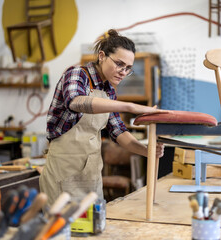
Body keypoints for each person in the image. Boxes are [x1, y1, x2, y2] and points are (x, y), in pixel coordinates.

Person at [40, 29, 166, 206]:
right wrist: (129, 106)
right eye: (119, 64)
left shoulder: (108, 91)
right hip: (63, 174)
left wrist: (147, 151)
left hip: (91, 176)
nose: (123, 72)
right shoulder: (77, 74)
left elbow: (118, 131)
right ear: (102, 56)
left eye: (128, 68)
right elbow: (75, 102)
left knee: (95, 228)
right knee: (64, 231)